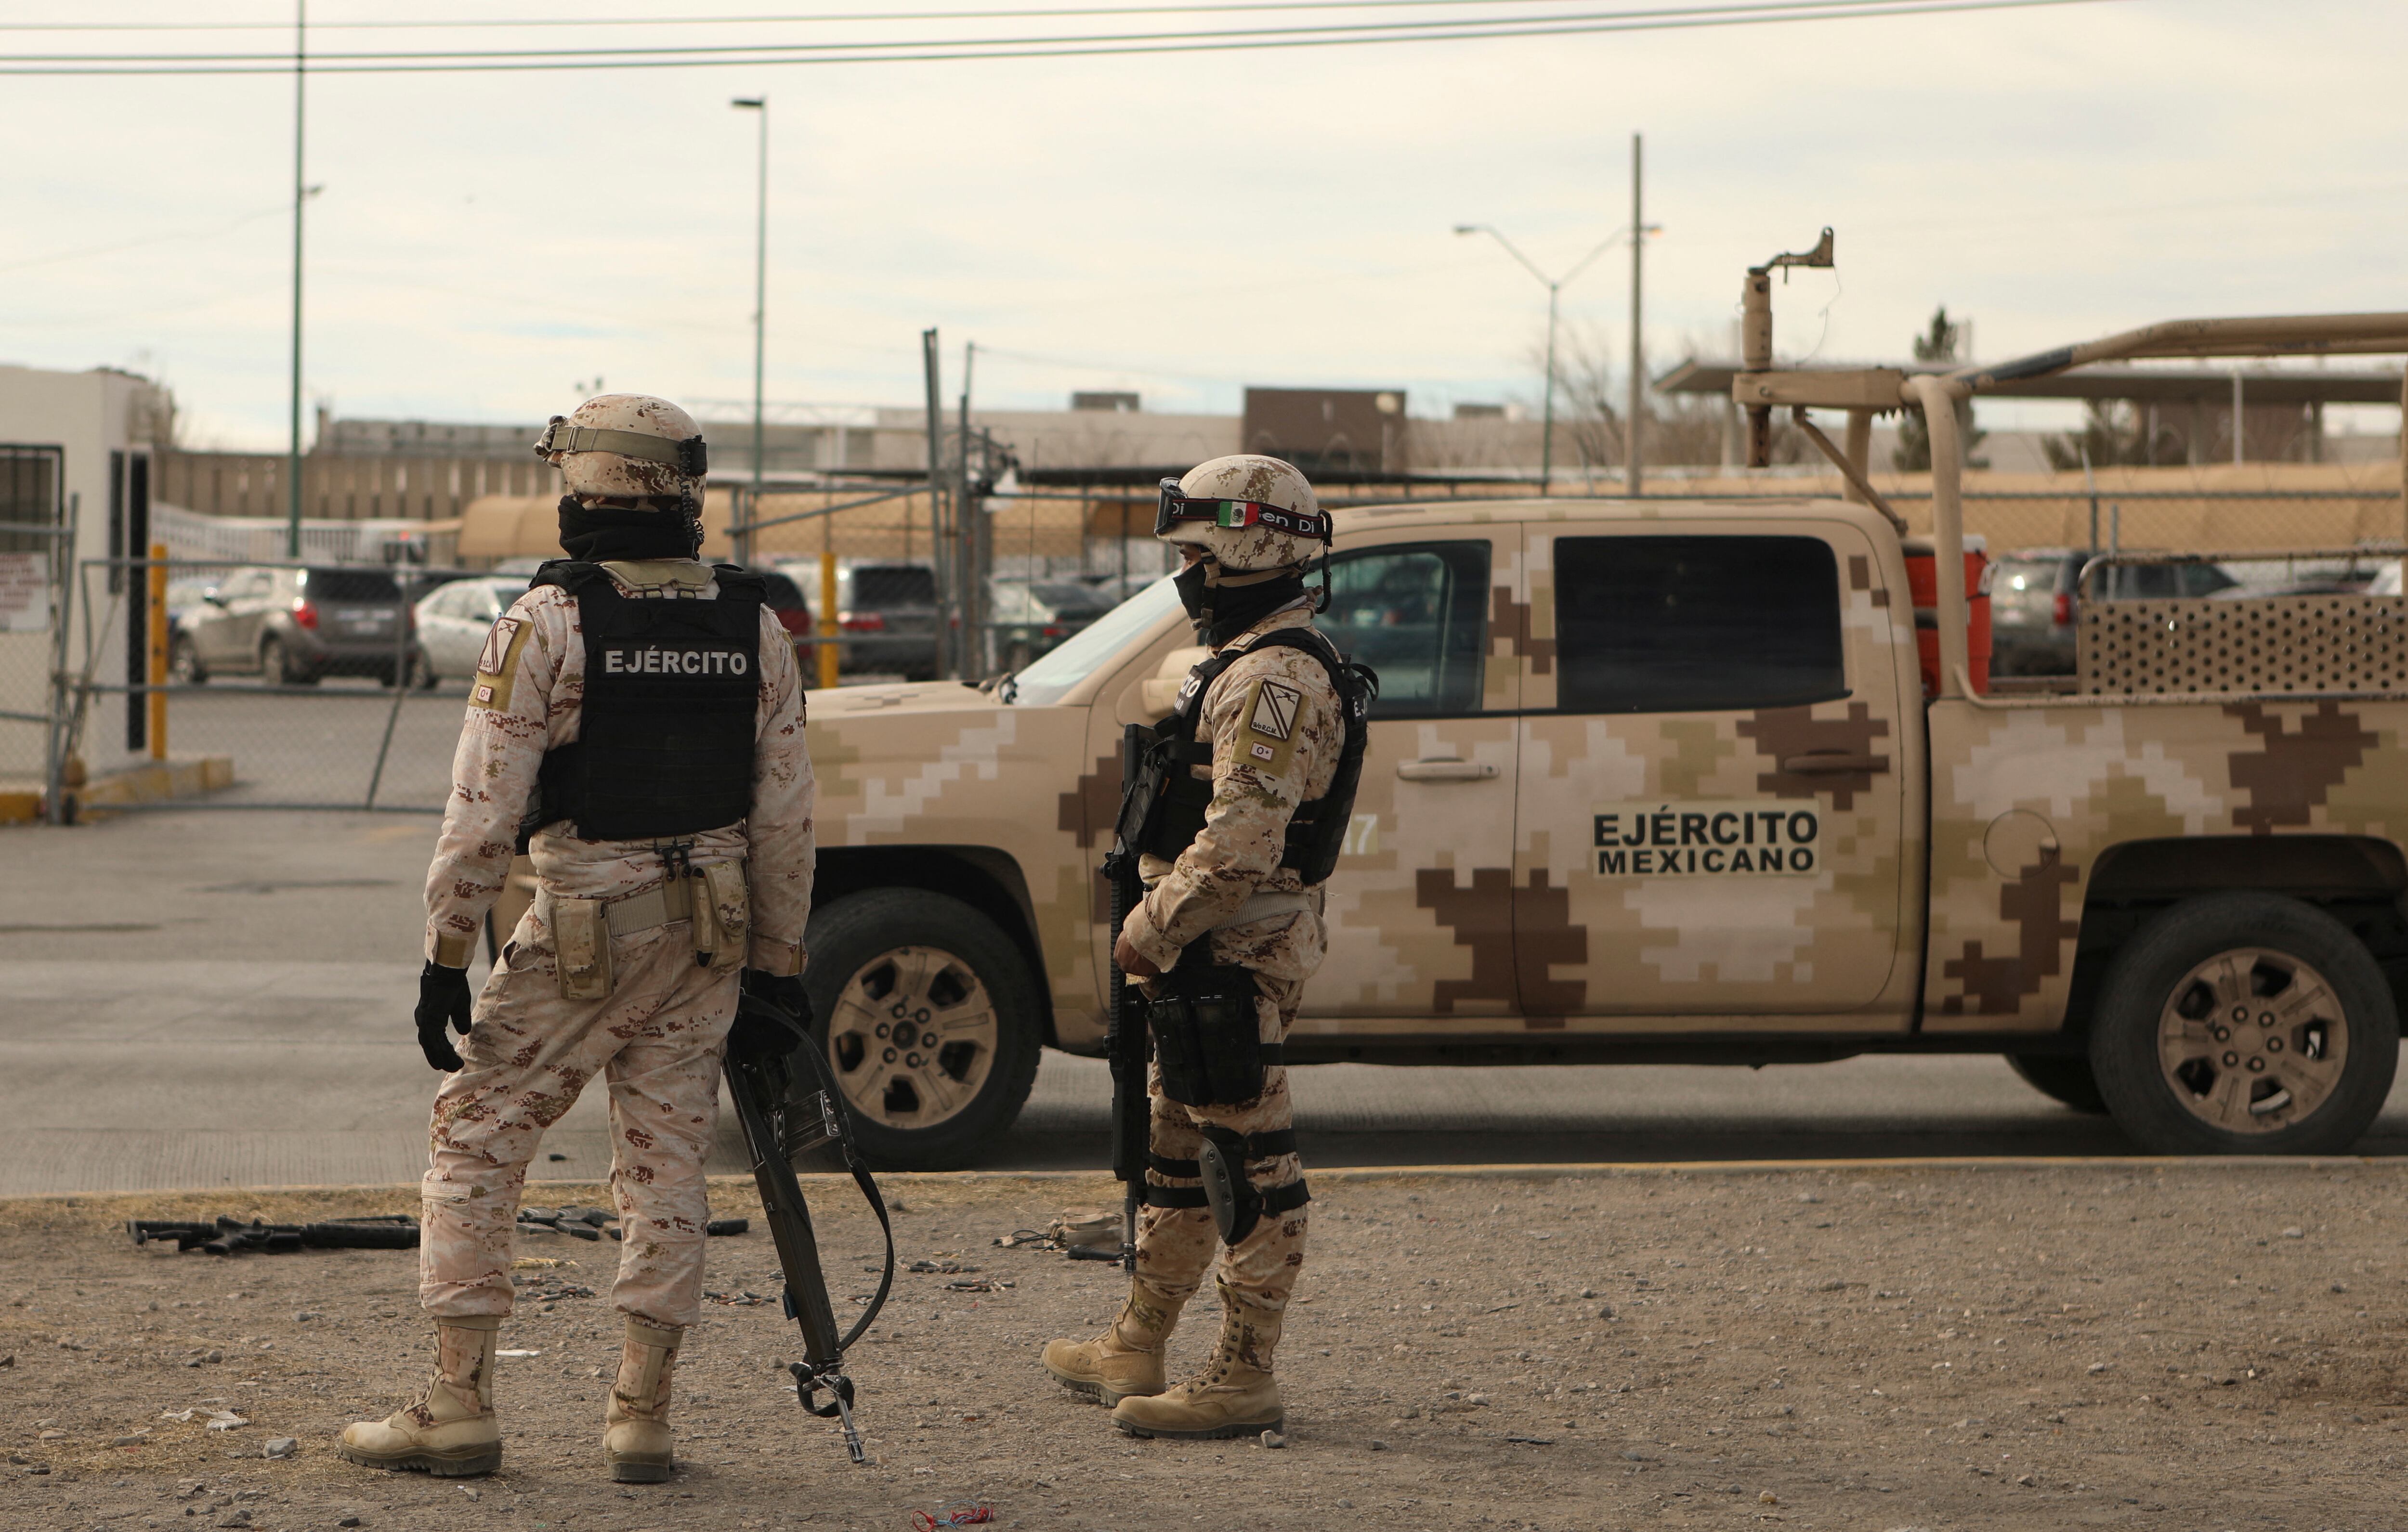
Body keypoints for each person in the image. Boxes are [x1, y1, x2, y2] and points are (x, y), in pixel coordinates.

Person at [337, 394, 815, 1483]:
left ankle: (457, 1405)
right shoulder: (753, 623)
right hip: (714, 935)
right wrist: (782, 968)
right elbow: (787, 816)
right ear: (684, 490)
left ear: (582, 484)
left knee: (474, 1134)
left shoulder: (543, 623)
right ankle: (640, 1418)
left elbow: (483, 803)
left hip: (586, 931)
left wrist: (445, 947)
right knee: (667, 1159)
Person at [1041, 454, 1366, 1440]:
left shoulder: (1276, 679)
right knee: (1175, 1156)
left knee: (1246, 1159)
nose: (1184, 575)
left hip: (1231, 948)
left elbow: (1241, 843)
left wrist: (1151, 929)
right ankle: (1138, 1339)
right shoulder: (1245, 664)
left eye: (1193, 553)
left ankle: (1243, 1372)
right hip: (1201, 950)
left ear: (1242, 547)